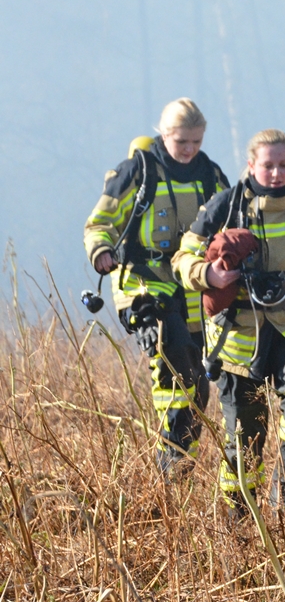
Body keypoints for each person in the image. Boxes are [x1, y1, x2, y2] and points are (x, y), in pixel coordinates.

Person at [171, 129, 285, 514]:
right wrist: (209, 275)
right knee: (243, 437)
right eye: (268, 165)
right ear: (251, 165)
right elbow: (182, 260)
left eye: (284, 165)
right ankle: (237, 519)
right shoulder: (224, 206)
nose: (277, 173)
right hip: (238, 336)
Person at [83, 98, 230, 478]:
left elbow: (231, 222)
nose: (189, 150)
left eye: (196, 142)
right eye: (182, 141)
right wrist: (100, 250)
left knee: (197, 384)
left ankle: (176, 466)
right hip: (144, 285)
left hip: (193, 288)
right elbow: (100, 223)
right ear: (164, 134)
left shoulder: (210, 175)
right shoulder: (136, 172)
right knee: (173, 362)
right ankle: (171, 464)